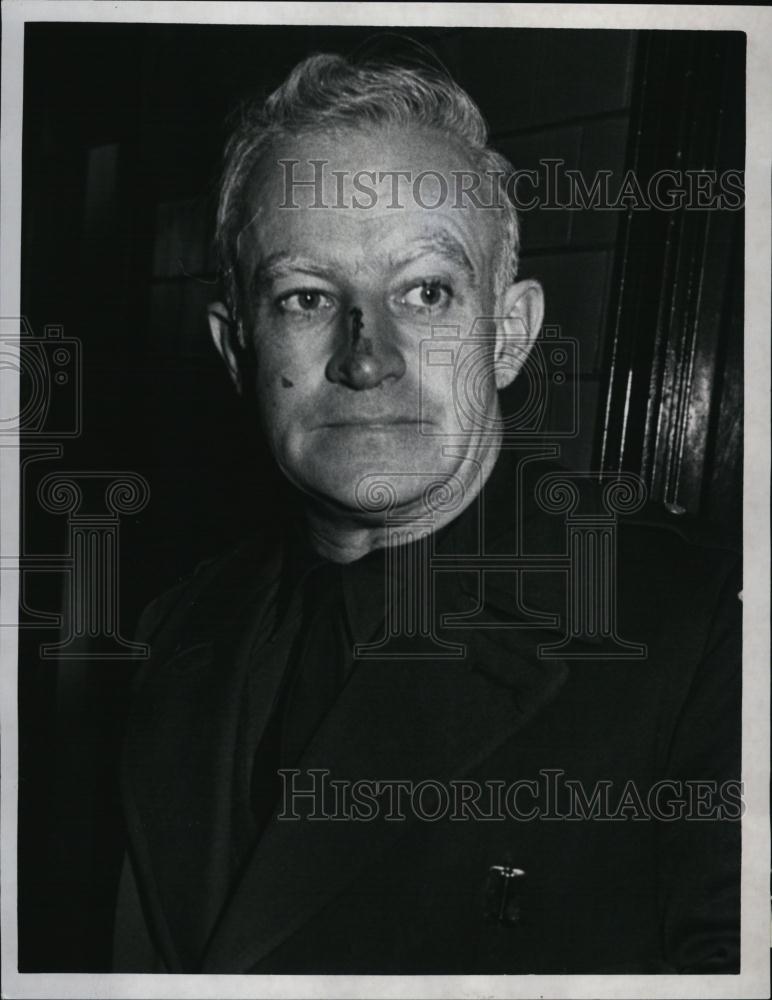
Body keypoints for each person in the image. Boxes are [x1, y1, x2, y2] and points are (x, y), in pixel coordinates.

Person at [113, 52, 741, 975]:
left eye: (427, 292)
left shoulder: (699, 641)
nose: (369, 359)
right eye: (307, 297)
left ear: (512, 333)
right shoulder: (178, 635)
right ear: (236, 348)